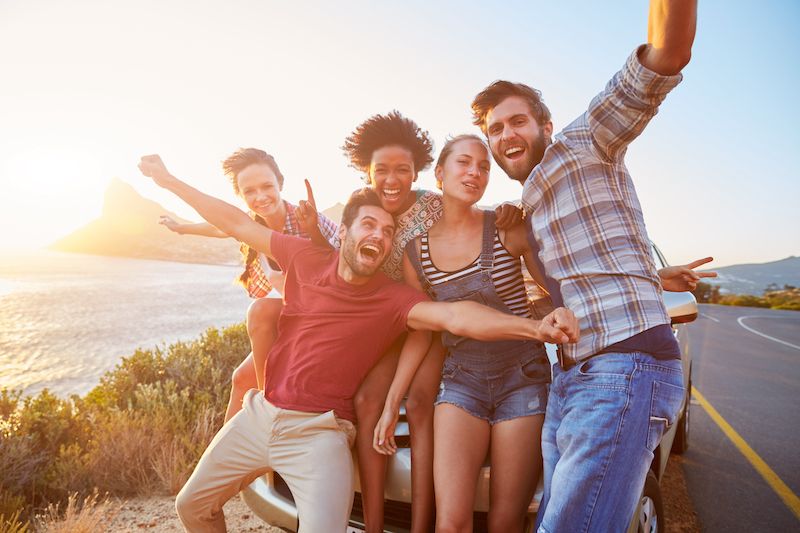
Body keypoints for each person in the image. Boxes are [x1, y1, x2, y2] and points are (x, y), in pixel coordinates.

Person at [137, 154, 579, 532]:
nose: (379, 237)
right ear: (343, 232)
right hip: (260, 414)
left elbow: (456, 315)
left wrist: (535, 329)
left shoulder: (392, 300)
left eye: (387, 233)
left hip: (319, 433)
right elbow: (233, 221)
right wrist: (169, 180)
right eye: (369, 225)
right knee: (191, 505)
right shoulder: (303, 256)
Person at [470, 1, 713, 530]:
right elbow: (567, 288)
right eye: (495, 129)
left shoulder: (585, 144)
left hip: (624, 369)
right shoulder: (524, 209)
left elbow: (667, 54)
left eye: (517, 120)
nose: (507, 135)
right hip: (570, 381)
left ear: (545, 124)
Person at [342, 111, 525, 532]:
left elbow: (475, 212)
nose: (391, 180)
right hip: (388, 328)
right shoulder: (363, 208)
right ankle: (373, 524)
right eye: (381, 171)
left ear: (420, 172)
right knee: (369, 402)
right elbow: (341, 248)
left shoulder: (435, 203)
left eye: (402, 170)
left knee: (422, 401)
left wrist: (511, 211)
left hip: (432, 326)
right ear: (366, 172)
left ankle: (422, 524)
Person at [374, 134, 551, 532]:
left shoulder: (507, 228)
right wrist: (391, 403)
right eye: (464, 163)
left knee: (504, 522)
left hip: (523, 377)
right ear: (439, 173)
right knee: (451, 522)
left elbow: (556, 287)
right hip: (461, 383)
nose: (474, 173)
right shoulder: (415, 253)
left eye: (484, 167)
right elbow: (423, 331)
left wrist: (653, 278)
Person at [158, 148, 339, 422]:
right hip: (296, 314)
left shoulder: (308, 219)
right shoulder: (251, 223)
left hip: (328, 317)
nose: (260, 197)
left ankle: (268, 410)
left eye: (267, 186)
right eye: (249, 191)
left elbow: (347, 263)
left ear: (280, 184)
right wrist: (181, 228)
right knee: (242, 379)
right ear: (241, 196)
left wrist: (314, 231)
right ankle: (224, 460)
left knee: (262, 310)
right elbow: (220, 227)